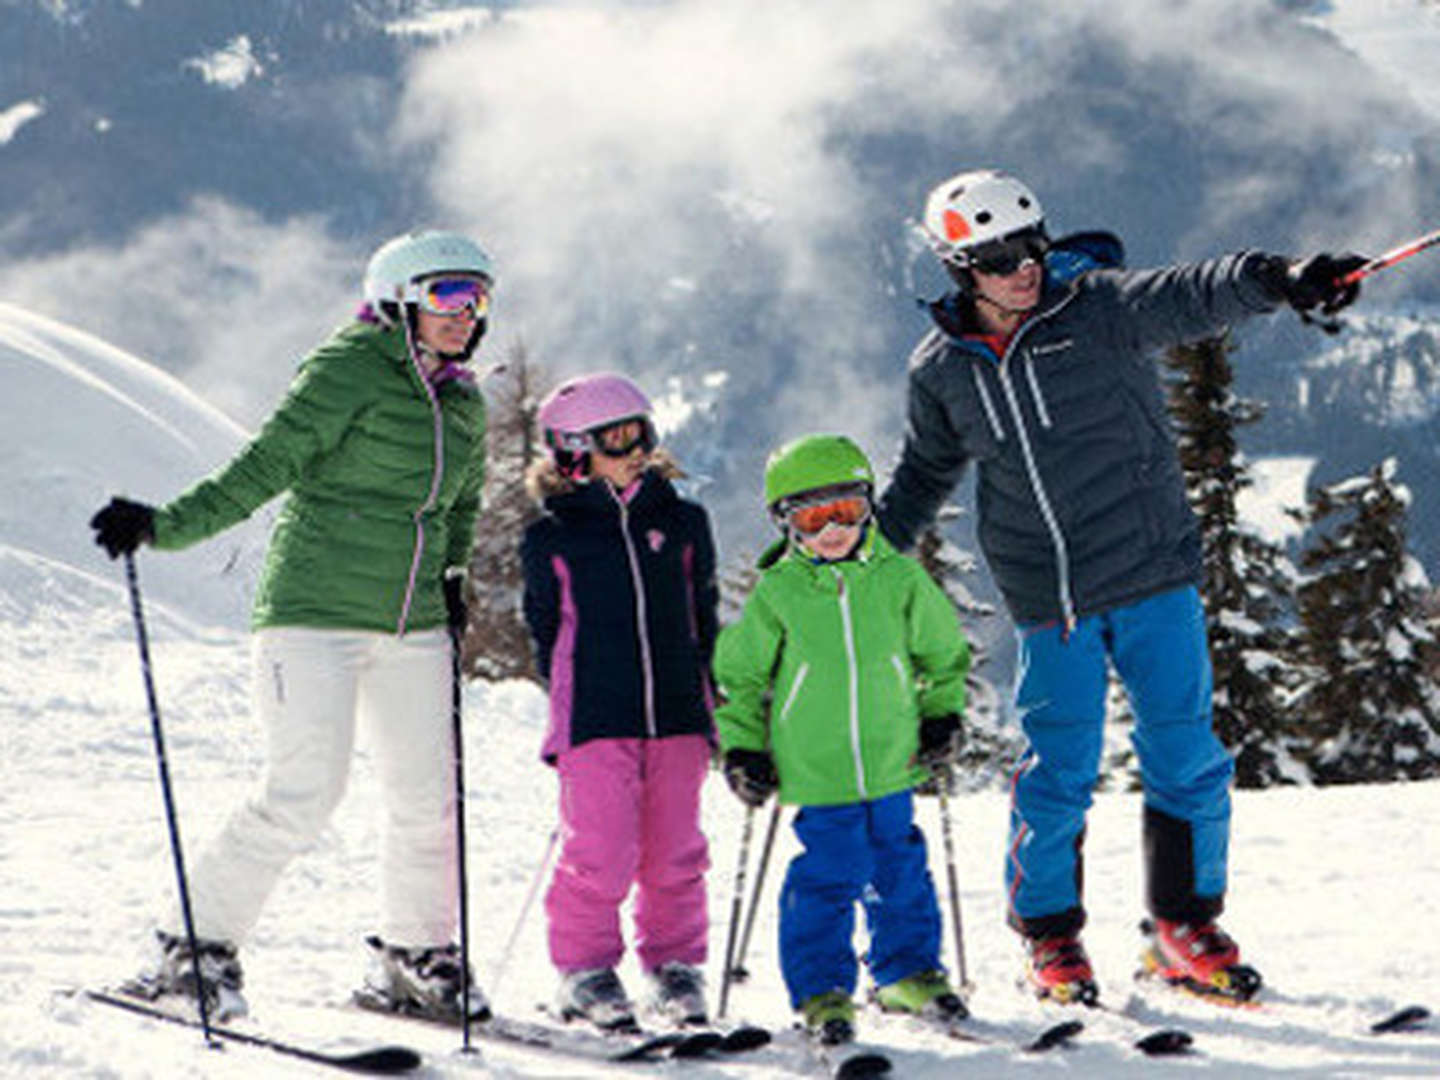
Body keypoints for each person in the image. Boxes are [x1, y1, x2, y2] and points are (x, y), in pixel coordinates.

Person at [875, 168, 1368, 1004]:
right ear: (957, 266)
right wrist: (865, 555)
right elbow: (927, 469)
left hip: (1151, 573)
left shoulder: (1100, 310)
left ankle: (1182, 928)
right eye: (996, 257)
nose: (1022, 267)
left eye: (1030, 245)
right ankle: (1051, 938)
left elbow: (1195, 293)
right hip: (1050, 600)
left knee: (1186, 754)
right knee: (1057, 769)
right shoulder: (942, 370)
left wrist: (1283, 279)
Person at [88, 230, 496, 1022]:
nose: (465, 313)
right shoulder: (348, 368)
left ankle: (416, 955)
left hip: (413, 623)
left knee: (428, 797)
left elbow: (462, 505)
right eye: (448, 294)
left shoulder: (463, 399)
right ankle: (191, 946)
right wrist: (163, 526)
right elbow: (266, 463)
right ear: (400, 297)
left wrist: (453, 579)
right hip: (314, 613)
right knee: (305, 790)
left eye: (478, 297)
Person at [713, 434, 971, 1046]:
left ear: (868, 508)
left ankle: (907, 971)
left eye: (846, 511)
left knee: (900, 867)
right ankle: (822, 987)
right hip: (818, 767)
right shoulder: (779, 593)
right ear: (787, 522)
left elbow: (941, 654)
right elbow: (741, 678)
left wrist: (942, 715)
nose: (832, 528)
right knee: (829, 875)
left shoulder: (899, 579)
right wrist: (745, 748)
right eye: (812, 515)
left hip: (892, 758)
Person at [520, 373, 719, 1032]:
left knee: (675, 853)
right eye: (615, 439)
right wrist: (571, 700)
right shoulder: (552, 537)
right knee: (599, 851)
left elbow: (703, 614)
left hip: (679, 713)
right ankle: (585, 971)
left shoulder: (683, 523)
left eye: (640, 433)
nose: (635, 449)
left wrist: (710, 695)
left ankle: (675, 967)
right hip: (595, 717)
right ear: (572, 450)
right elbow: (546, 630)